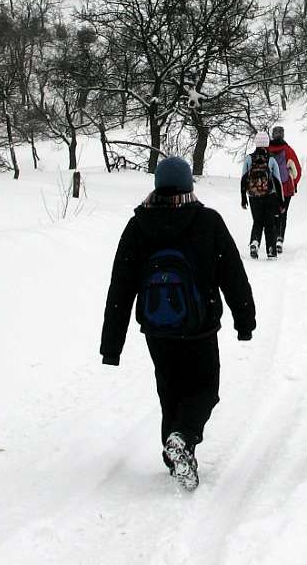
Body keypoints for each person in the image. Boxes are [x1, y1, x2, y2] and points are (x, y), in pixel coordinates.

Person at [100, 156, 256, 491]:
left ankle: (175, 458)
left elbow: (121, 286)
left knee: (170, 390)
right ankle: (183, 437)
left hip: (158, 329)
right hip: (199, 326)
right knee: (204, 389)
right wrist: (245, 320)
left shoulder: (138, 226)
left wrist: (111, 345)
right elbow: (233, 275)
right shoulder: (207, 221)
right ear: (188, 184)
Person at [240, 131, 285, 259]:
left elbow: (243, 179)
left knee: (257, 222)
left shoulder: (249, 158)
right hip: (269, 196)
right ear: (266, 143)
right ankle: (271, 251)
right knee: (270, 224)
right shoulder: (271, 159)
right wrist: (281, 201)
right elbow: (277, 181)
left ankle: (255, 242)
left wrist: (243, 198)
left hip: (254, 197)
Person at [266, 125, 303, 251]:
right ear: (283, 135)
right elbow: (297, 169)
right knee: (283, 213)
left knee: (272, 213)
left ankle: (272, 236)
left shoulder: (267, 149)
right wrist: (294, 183)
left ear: (272, 135)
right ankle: (280, 239)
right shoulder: (288, 150)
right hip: (286, 187)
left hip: (270, 188)